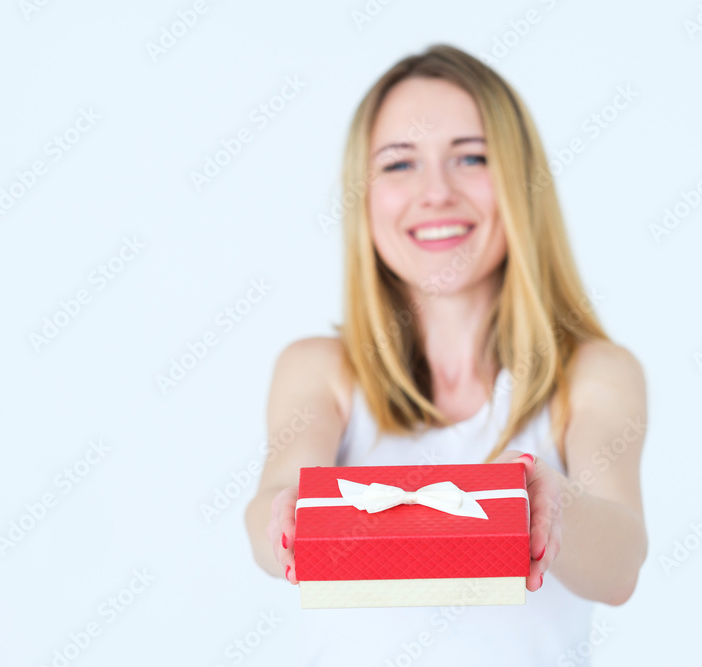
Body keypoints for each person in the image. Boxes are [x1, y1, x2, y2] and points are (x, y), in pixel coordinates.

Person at [244, 43, 648, 665]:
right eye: (399, 164)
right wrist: (286, 525)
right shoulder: (319, 370)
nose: (435, 192)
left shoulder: (593, 375)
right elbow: (272, 507)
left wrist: (554, 504)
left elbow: (620, 562)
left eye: (471, 157)